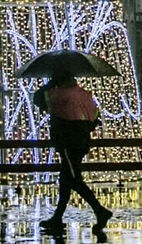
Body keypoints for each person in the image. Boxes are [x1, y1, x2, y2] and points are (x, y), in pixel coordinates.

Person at [35, 74, 112, 235]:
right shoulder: (84, 94)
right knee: (65, 180)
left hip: (67, 142)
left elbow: (38, 100)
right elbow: (95, 118)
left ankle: (100, 210)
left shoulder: (60, 95)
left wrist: (49, 84)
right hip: (82, 141)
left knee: (74, 179)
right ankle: (57, 217)